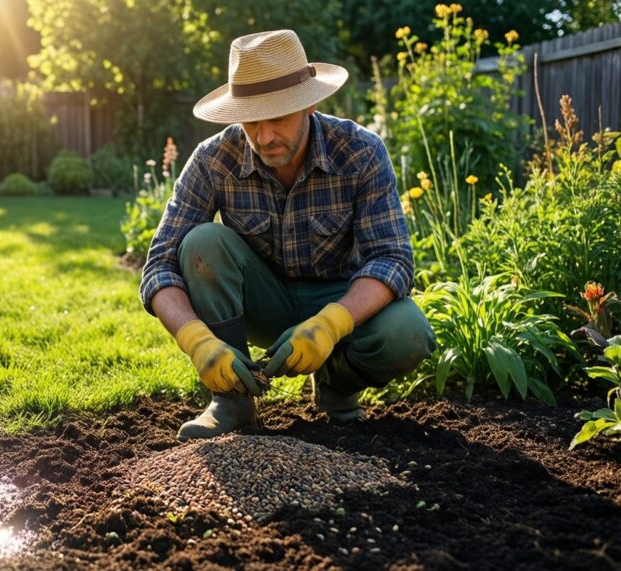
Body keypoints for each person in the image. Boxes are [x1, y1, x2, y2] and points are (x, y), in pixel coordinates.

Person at [139, 29, 436, 442]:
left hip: (338, 301)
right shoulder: (213, 160)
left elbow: (393, 259)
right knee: (202, 243)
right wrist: (195, 340)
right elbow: (160, 266)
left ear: (310, 103)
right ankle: (232, 400)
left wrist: (332, 324)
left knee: (408, 331)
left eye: (277, 117)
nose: (263, 137)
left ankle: (338, 384)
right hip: (263, 302)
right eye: (251, 121)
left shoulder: (360, 152)